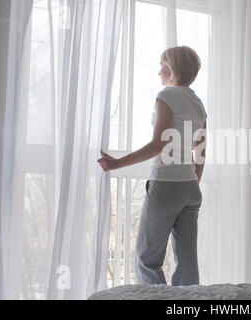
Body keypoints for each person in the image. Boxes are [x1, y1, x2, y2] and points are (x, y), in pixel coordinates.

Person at [97, 46, 207, 286]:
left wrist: (117, 163)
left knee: (147, 259)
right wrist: (190, 183)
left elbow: (159, 144)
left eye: (162, 64)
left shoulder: (166, 95)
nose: (159, 71)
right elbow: (201, 152)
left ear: (172, 68)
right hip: (190, 188)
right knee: (187, 262)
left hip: (166, 184)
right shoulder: (198, 104)